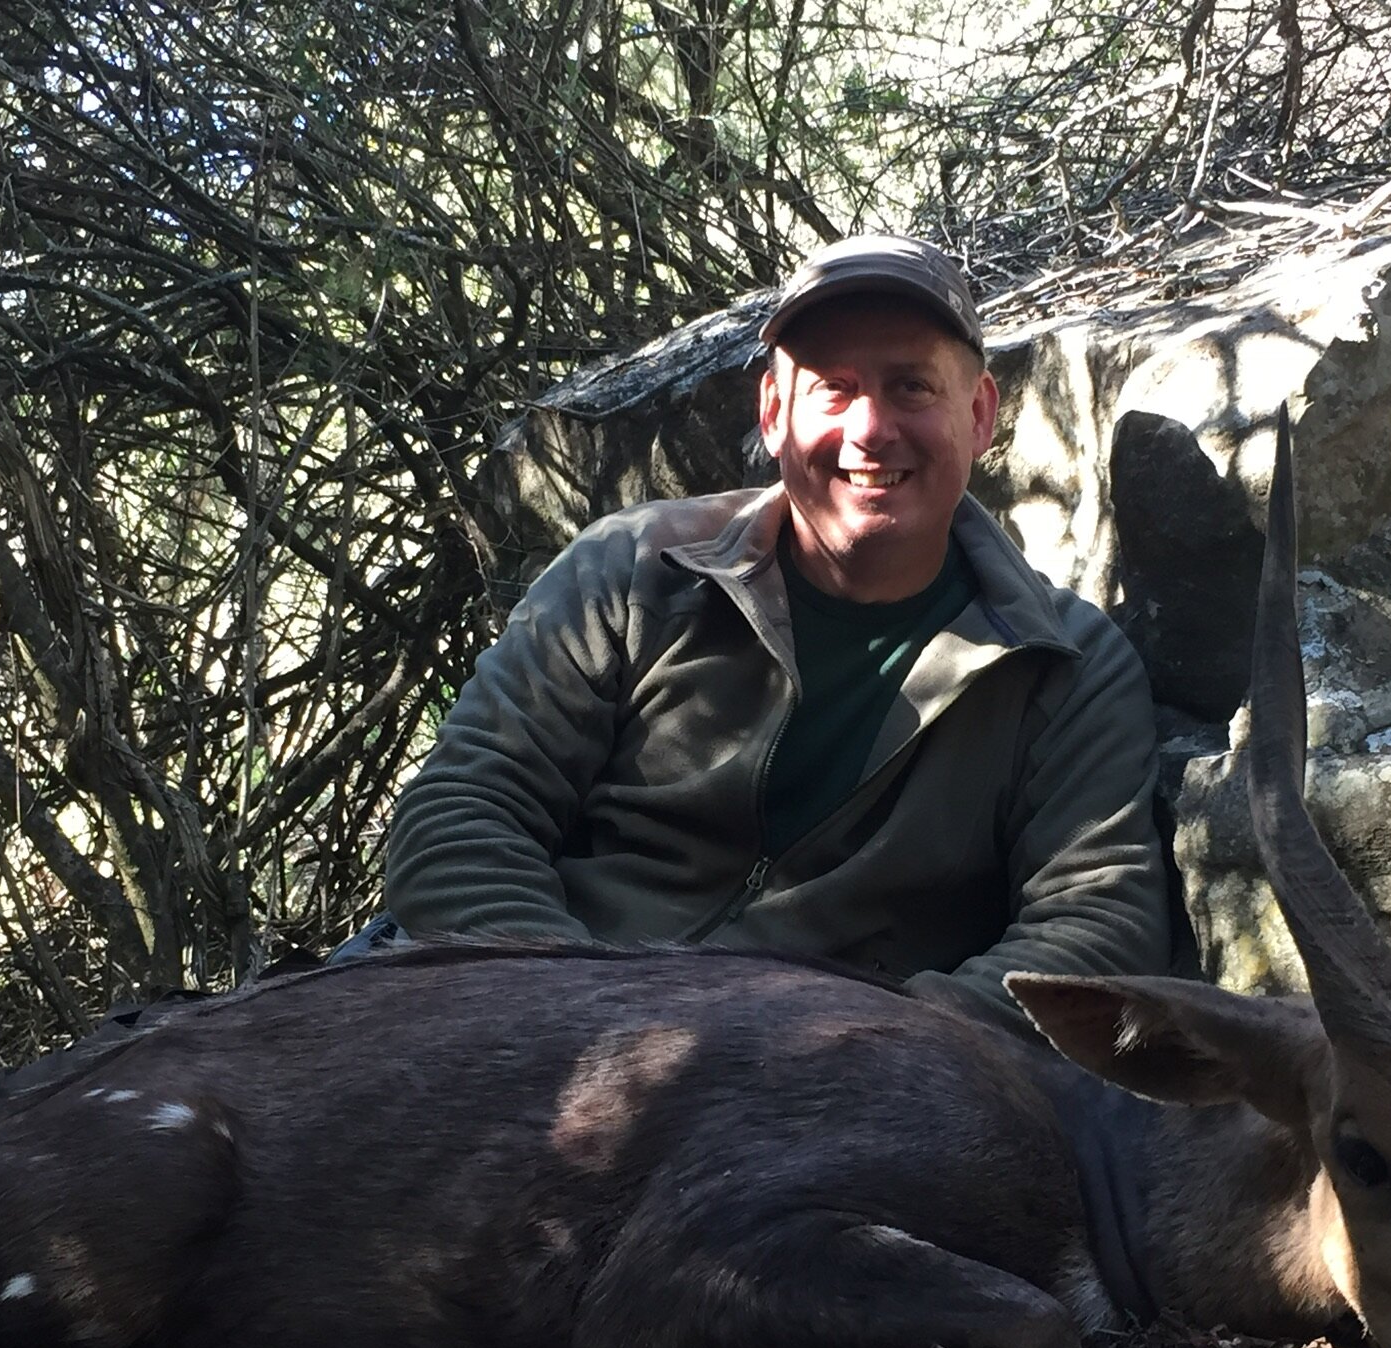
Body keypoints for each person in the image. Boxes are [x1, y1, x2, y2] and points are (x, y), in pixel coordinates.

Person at [357, 233, 1170, 1037]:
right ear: (773, 414)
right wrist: (584, 1013)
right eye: (833, 388)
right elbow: (462, 810)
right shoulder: (632, 569)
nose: (870, 429)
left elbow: (1093, 932)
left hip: (823, 1100)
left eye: (911, 387)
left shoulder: (1064, 667)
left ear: (980, 413)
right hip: (536, 1022)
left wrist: (850, 1055)